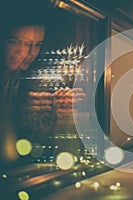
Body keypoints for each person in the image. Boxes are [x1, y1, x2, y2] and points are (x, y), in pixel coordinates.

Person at [0, 1, 85, 169]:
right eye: (14, 42)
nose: (26, 53)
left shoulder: (24, 82)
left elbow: (31, 146)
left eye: (36, 45)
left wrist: (57, 115)